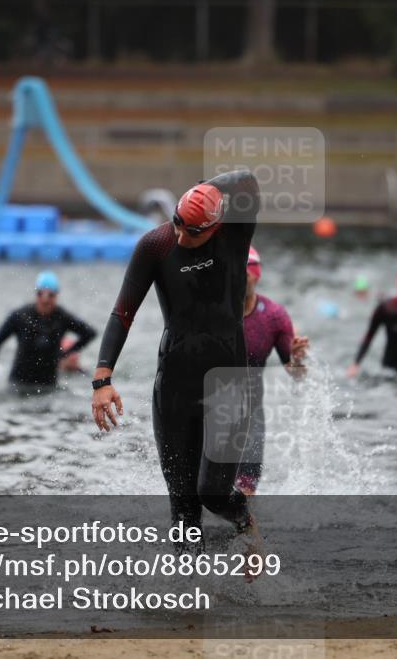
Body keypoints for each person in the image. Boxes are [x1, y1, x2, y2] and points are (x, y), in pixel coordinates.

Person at [91, 170, 262, 563]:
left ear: (216, 225)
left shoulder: (237, 232)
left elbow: (248, 179)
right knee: (183, 504)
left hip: (229, 383)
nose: (181, 239)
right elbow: (122, 313)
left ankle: (245, 521)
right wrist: (102, 378)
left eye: (192, 233)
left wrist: (210, 189)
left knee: (213, 494)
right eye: (178, 225)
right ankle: (190, 594)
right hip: (174, 386)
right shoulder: (156, 244)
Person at [237, 246, 309, 495]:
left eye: (245, 273)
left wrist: (298, 358)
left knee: (245, 494)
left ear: (256, 275)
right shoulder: (213, 311)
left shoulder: (274, 317)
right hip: (207, 412)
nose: (239, 278)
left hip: (251, 418)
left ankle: (248, 533)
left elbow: (296, 374)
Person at [0, 271, 97, 393]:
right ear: (36, 294)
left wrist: (65, 353)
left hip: (49, 385)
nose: (45, 300)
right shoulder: (21, 316)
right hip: (19, 384)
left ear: (56, 296)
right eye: (40, 294)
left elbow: (89, 333)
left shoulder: (62, 317)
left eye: (50, 295)